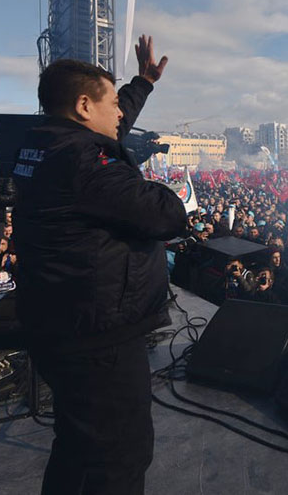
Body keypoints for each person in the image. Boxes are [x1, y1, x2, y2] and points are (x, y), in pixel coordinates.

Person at [13, 36, 181, 494]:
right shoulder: (85, 162)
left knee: (77, 446)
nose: (121, 114)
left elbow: (108, 128)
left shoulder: (46, 144)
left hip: (60, 323)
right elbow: (166, 213)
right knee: (118, 457)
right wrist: (151, 180)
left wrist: (141, 83)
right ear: (85, 106)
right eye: (113, 104)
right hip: (97, 339)